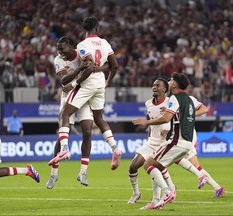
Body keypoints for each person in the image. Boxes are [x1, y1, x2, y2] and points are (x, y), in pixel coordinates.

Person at [50, 16, 122, 171]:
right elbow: (114, 65)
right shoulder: (105, 43)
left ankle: (64, 149)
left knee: (65, 114)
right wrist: (108, 81)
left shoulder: (83, 45)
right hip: (100, 84)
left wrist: (74, 83)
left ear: (85, 29)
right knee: (99, 118)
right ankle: (115, 148)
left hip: (87, 84)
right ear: (97, 28)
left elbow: (88, 65)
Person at [132, 72, 195, 209]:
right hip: (186, 141)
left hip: (176, 140)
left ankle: (168, 192)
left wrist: (146, 122)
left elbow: (166, 118)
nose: (170, 81)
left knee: (148, 164)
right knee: (154, 164)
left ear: (174, 84)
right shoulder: (189, 99)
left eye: (171, 80)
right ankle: (157, 200)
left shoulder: (174, 99)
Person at [46, 36, 95, 188]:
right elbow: (64, 81)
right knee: (61, 138)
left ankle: (83, 172)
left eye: (62, 48)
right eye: (58, 49)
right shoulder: (58, 60)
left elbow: (91, 69)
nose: (60, 52)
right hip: (67, 96)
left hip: (84, 95)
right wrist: (80, 68)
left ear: (71, 46)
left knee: (87, 132)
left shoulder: (82, 53)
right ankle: (54, 174)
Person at [128, 78, 177, 207]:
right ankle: (136, 193)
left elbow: (177, 120)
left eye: (157, 85)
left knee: (153, 166)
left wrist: (169, 130)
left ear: (164, 89)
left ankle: (163, 194)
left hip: (165, 142)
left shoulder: (170, 102)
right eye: (153, 85)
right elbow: (153, 122)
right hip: (151, 142)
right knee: (133, 166)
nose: (154, 87)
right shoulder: (148, 103)